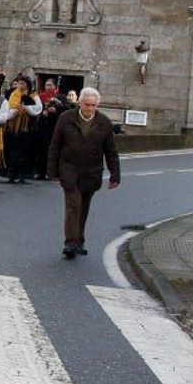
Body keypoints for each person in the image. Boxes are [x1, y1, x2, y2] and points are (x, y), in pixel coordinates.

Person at [46, 86, 120, 260]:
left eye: (93, 105)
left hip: (91, 172)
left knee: (83, 208)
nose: (90, 108)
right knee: (74, 205)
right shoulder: (66, 118)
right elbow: (55, 145)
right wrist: (51, 170)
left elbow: (110, 150)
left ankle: (79, 240)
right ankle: (70, 243)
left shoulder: (104, 123)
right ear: (80, 103)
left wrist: (115, 174)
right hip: (69, 169)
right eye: (87, 104)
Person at [1, 76, 43, 185]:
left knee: (24, 152)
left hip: (26, 127)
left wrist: (27, 108)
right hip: (13, 127)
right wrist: (14, 111)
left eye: (23, 83)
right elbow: (8, 108)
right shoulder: (14, 94)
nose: (21, 85)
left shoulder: (33, 96)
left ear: (27, 84)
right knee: (12, 151)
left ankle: (22, 175)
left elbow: (38, 109)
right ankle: (11, 175)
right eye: (19, 83)